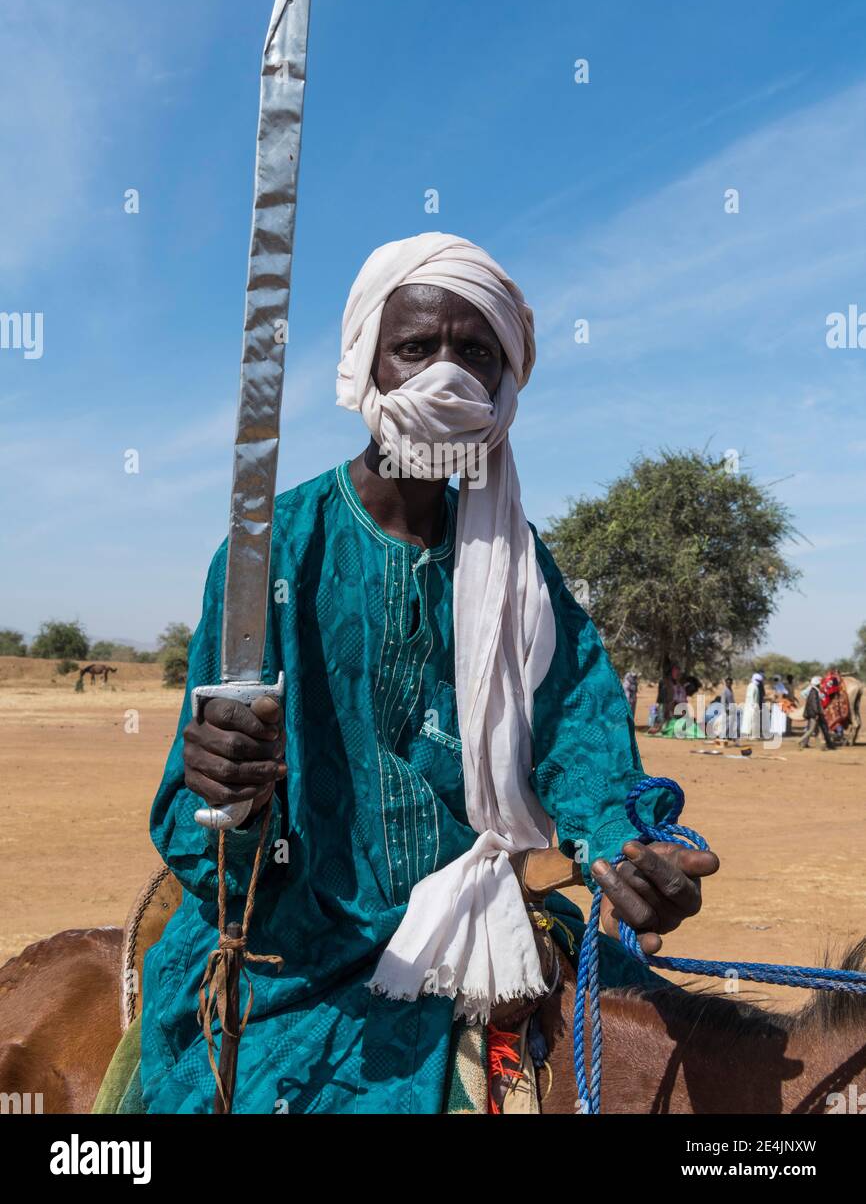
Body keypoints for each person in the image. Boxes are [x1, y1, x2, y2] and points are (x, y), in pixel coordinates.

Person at [141, 233, 720, 1114]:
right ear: (366, 365)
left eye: (475, 353)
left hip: (480, 927)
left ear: (505, 383)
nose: (445, 376)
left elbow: (582, 736)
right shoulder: (272, 553)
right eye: (417, 348)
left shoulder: (522, 568)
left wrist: (627, 847)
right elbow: (210, 831)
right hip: (300, 946)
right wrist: (235, 798)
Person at [801, 676, 838, 750]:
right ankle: (801, 742)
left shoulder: (815, 691)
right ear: (817, 684)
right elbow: (815, 703)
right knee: (813, 729)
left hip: (815, 713)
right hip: (816, 714)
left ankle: (828, 744)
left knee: (817, 728)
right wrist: (817, 713)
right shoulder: (814, 692)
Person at [741, 671, 765, 740]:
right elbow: (751, 697)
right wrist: (753, 707)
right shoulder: (753, 687)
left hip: (752, 706)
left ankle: (752, 735)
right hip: (752, 706)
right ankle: (751, 735)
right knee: (751, 721)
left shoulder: (753, 686)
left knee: (752, 721)